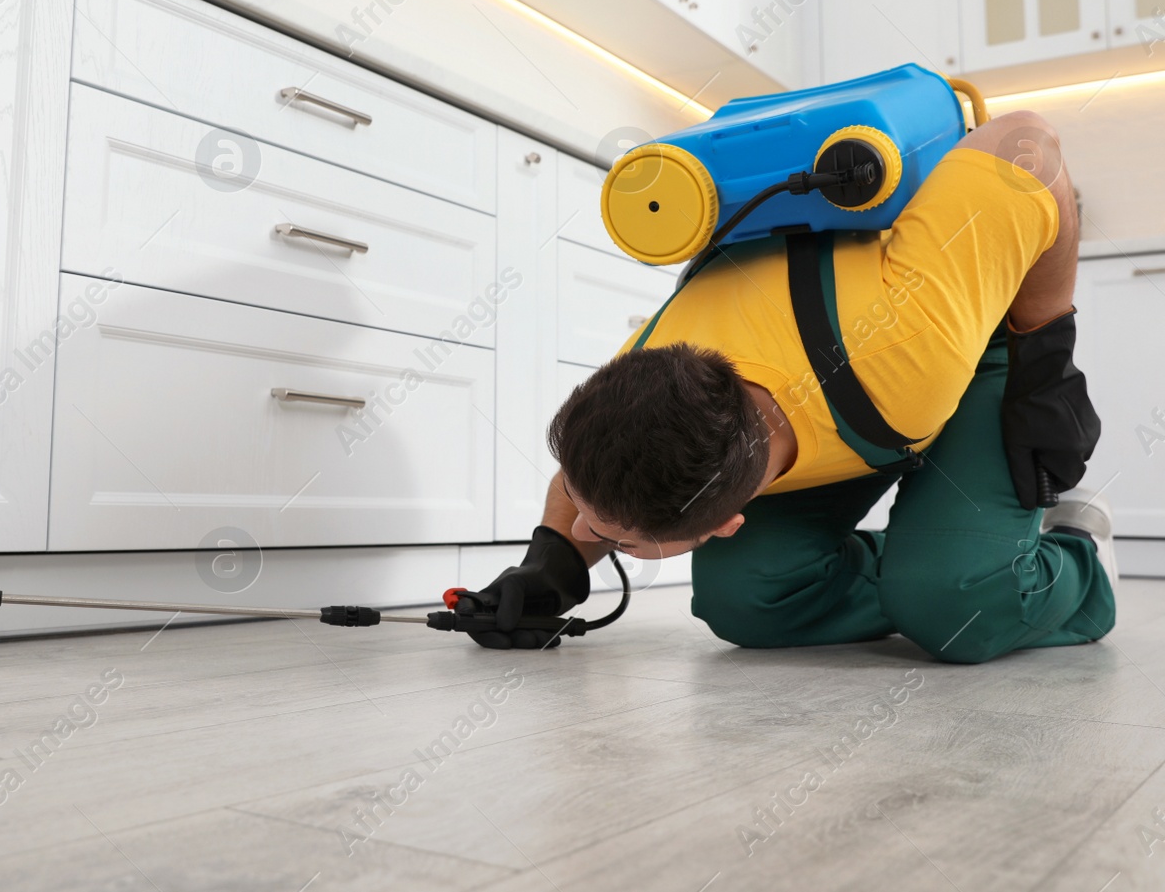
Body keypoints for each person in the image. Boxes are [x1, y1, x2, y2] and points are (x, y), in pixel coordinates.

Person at [466, 109, 1111, 663]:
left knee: (957, 611)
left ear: (725, 523)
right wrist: (554, 561)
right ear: (731, 520)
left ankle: (1076, 563)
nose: (580, 521)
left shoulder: (910, 339)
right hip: (848, 406)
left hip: (958, 359)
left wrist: (1046, 348)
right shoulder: (641, 373)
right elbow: (591, 475)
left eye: (617, 539)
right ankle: (938, 565)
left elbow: (1025, 142)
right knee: (746, 600)